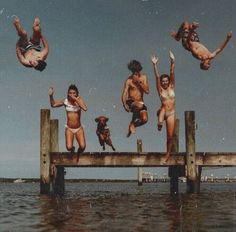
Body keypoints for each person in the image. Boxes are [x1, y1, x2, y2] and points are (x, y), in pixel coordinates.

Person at [48, 85, 87, 162]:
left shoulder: (79, 100)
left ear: (77, 94)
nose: (72, 94)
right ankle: (72, 149)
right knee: (68, 147)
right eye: (70, 93)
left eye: (74, 93)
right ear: (68, 94)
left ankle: (78, 153)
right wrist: (51, 96)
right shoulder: (65, 101)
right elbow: (53, 105)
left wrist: (75, 99)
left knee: (82, 146)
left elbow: (85, 108)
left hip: (78, 128)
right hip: (69, 128)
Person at [151, 51, 176, 162]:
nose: (165, 82)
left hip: (171, 113)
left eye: (166, 81)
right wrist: (155, 64)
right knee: (160, 124)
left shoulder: (172, 87)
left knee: (170, 136)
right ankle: (159, 122)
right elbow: (157, 76)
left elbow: (172, 72)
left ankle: (167, 155)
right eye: (163, 81)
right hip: (164, 110)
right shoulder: (160, 90)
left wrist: (172, 61)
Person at [121, 60, 149, 137]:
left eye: (137, 71)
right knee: (138, 106)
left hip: (140, 102)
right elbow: (124, 94)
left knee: (145, 119)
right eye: (133, 72)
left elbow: (147, 91)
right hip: (131, 101)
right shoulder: (129, 80)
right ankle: (132, 124)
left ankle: (132, 125)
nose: (135, 73)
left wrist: (139, 82)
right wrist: (124, 105)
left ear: (139, 70)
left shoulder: (143, 77)